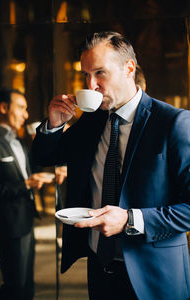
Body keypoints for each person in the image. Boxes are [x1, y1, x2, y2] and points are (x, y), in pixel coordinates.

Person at [32, 31, 190, 300]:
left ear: (129, 68)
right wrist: (55, 125)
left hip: (154, 275)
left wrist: (130, 219)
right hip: (99, 266)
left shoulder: (174, 123)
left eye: (100, 73)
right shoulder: (93, 122)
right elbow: (46, 157)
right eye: (85, 75)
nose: (91, 85)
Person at [0, 88, 52, 300]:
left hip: (26, 219)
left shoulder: (17, 139)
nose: (26, 114)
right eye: (21, 108)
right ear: (3, 108)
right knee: (14, 286)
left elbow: (28, 169)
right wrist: (26, 184)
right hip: (8, 224)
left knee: (27, 284)